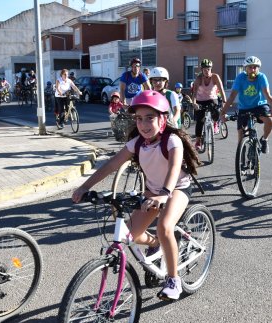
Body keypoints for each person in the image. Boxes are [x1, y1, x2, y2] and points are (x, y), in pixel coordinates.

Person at [72, 91, 200, 301]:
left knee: (165, 226)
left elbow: (174, 168)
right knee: (128, 235)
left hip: (176, 188)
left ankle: (173, 280)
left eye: (150, 117)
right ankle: (155, 244)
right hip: (152, 190)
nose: (143, 123)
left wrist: (164, 195)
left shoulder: (172, 140)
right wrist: (84, 187)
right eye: (139, 118)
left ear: (163, 119)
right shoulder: (138, 143)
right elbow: (112, 164)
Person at [219, 56, 272, 154]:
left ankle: (264, 139)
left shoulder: (261, 77)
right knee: (241, 134)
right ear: (245, 68)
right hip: (244, 108)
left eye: (255, 67)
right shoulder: (240, 77)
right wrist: (223, 112)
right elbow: (232, 96)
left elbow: (267, 94)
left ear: (258, 68)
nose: (253, 70)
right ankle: (241, 155)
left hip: (259, 106)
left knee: (269, 121)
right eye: (250, 67)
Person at [192, 59, 227, 149]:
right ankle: (198, 142)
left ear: (211, 69)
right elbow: (194, 93)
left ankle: (215, 123)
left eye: (208, 69)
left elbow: (221, 90)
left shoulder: (215, 77)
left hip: (212, 98)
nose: (207, 71)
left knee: (217, 111)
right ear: (202, 70)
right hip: (200, 100)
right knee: (200, 120)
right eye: (205, 69)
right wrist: (194, 103)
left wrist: (224, 102)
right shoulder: (199, 79)